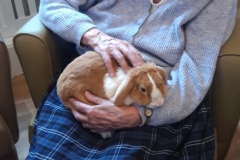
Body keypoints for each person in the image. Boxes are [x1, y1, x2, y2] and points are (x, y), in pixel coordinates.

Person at [27, 0, 237, 159]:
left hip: (161, 98)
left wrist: (142, 113)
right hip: (89, 77)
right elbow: (53, 4)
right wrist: (96, 36)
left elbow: (196, 70)